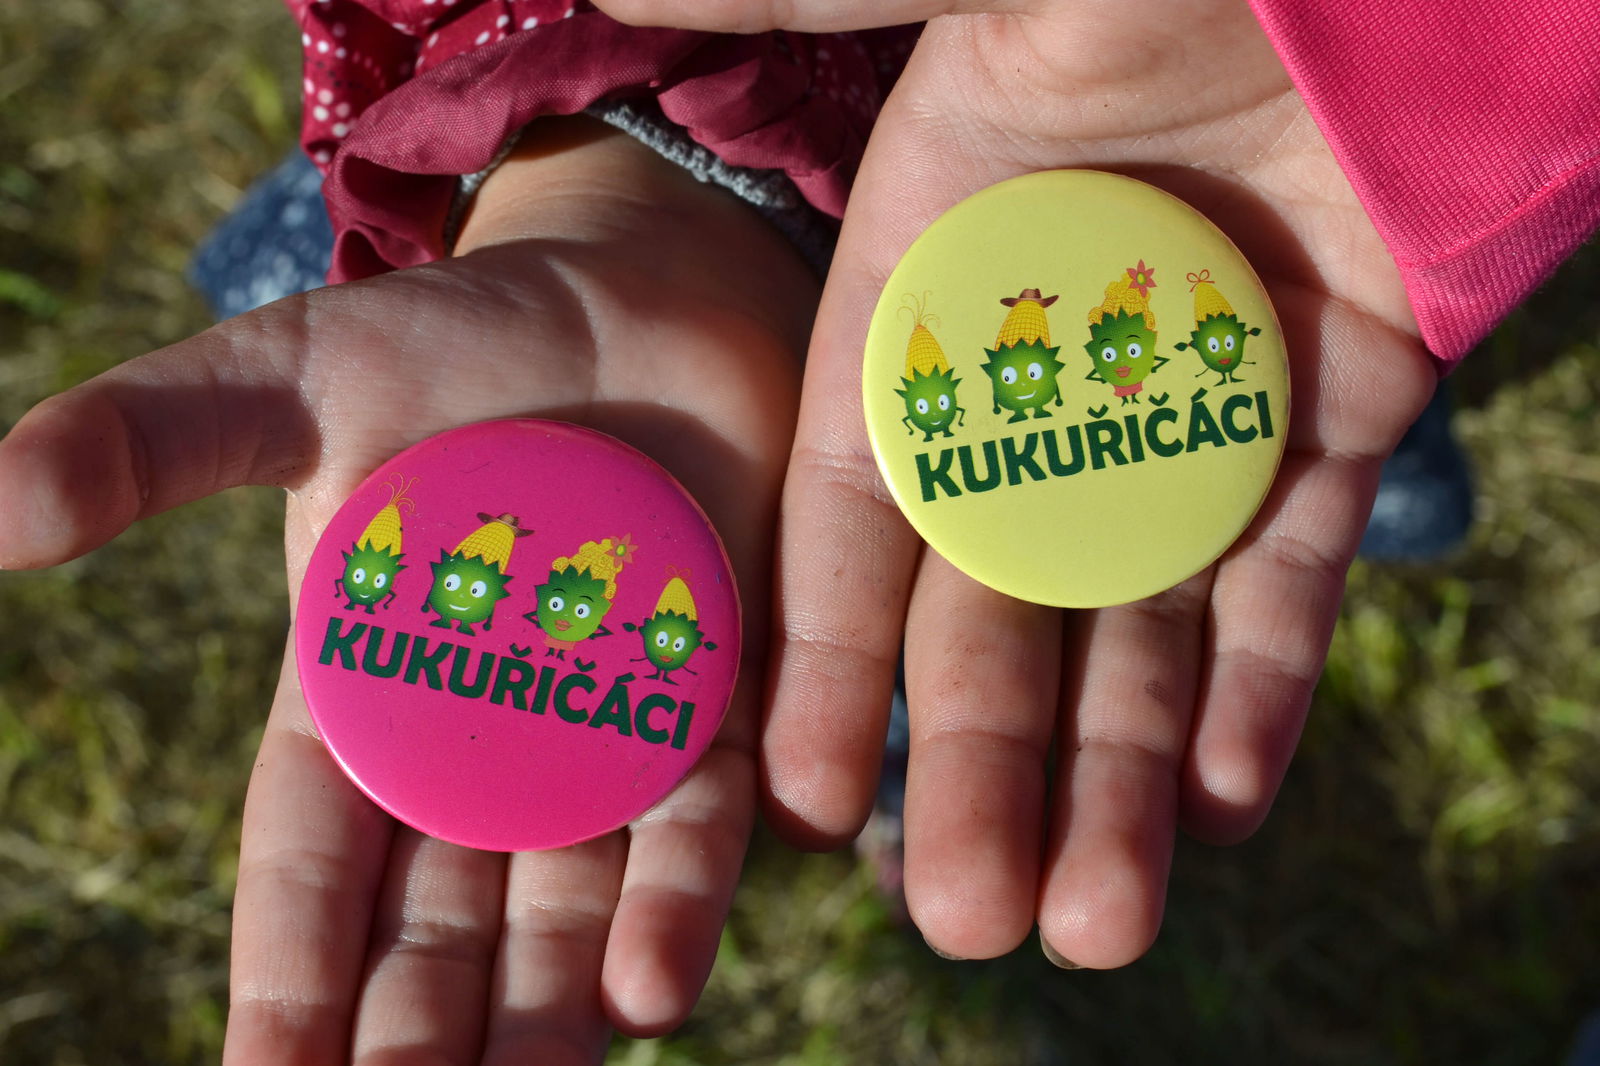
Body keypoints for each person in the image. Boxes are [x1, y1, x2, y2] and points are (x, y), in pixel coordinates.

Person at [1, 1, 1595, 1061]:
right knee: (883, 604)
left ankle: (899, 753)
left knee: (1018, 574)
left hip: (1263, 208)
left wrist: (1365, 47)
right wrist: (629, 183)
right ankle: (889, 757)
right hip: (683, 159)